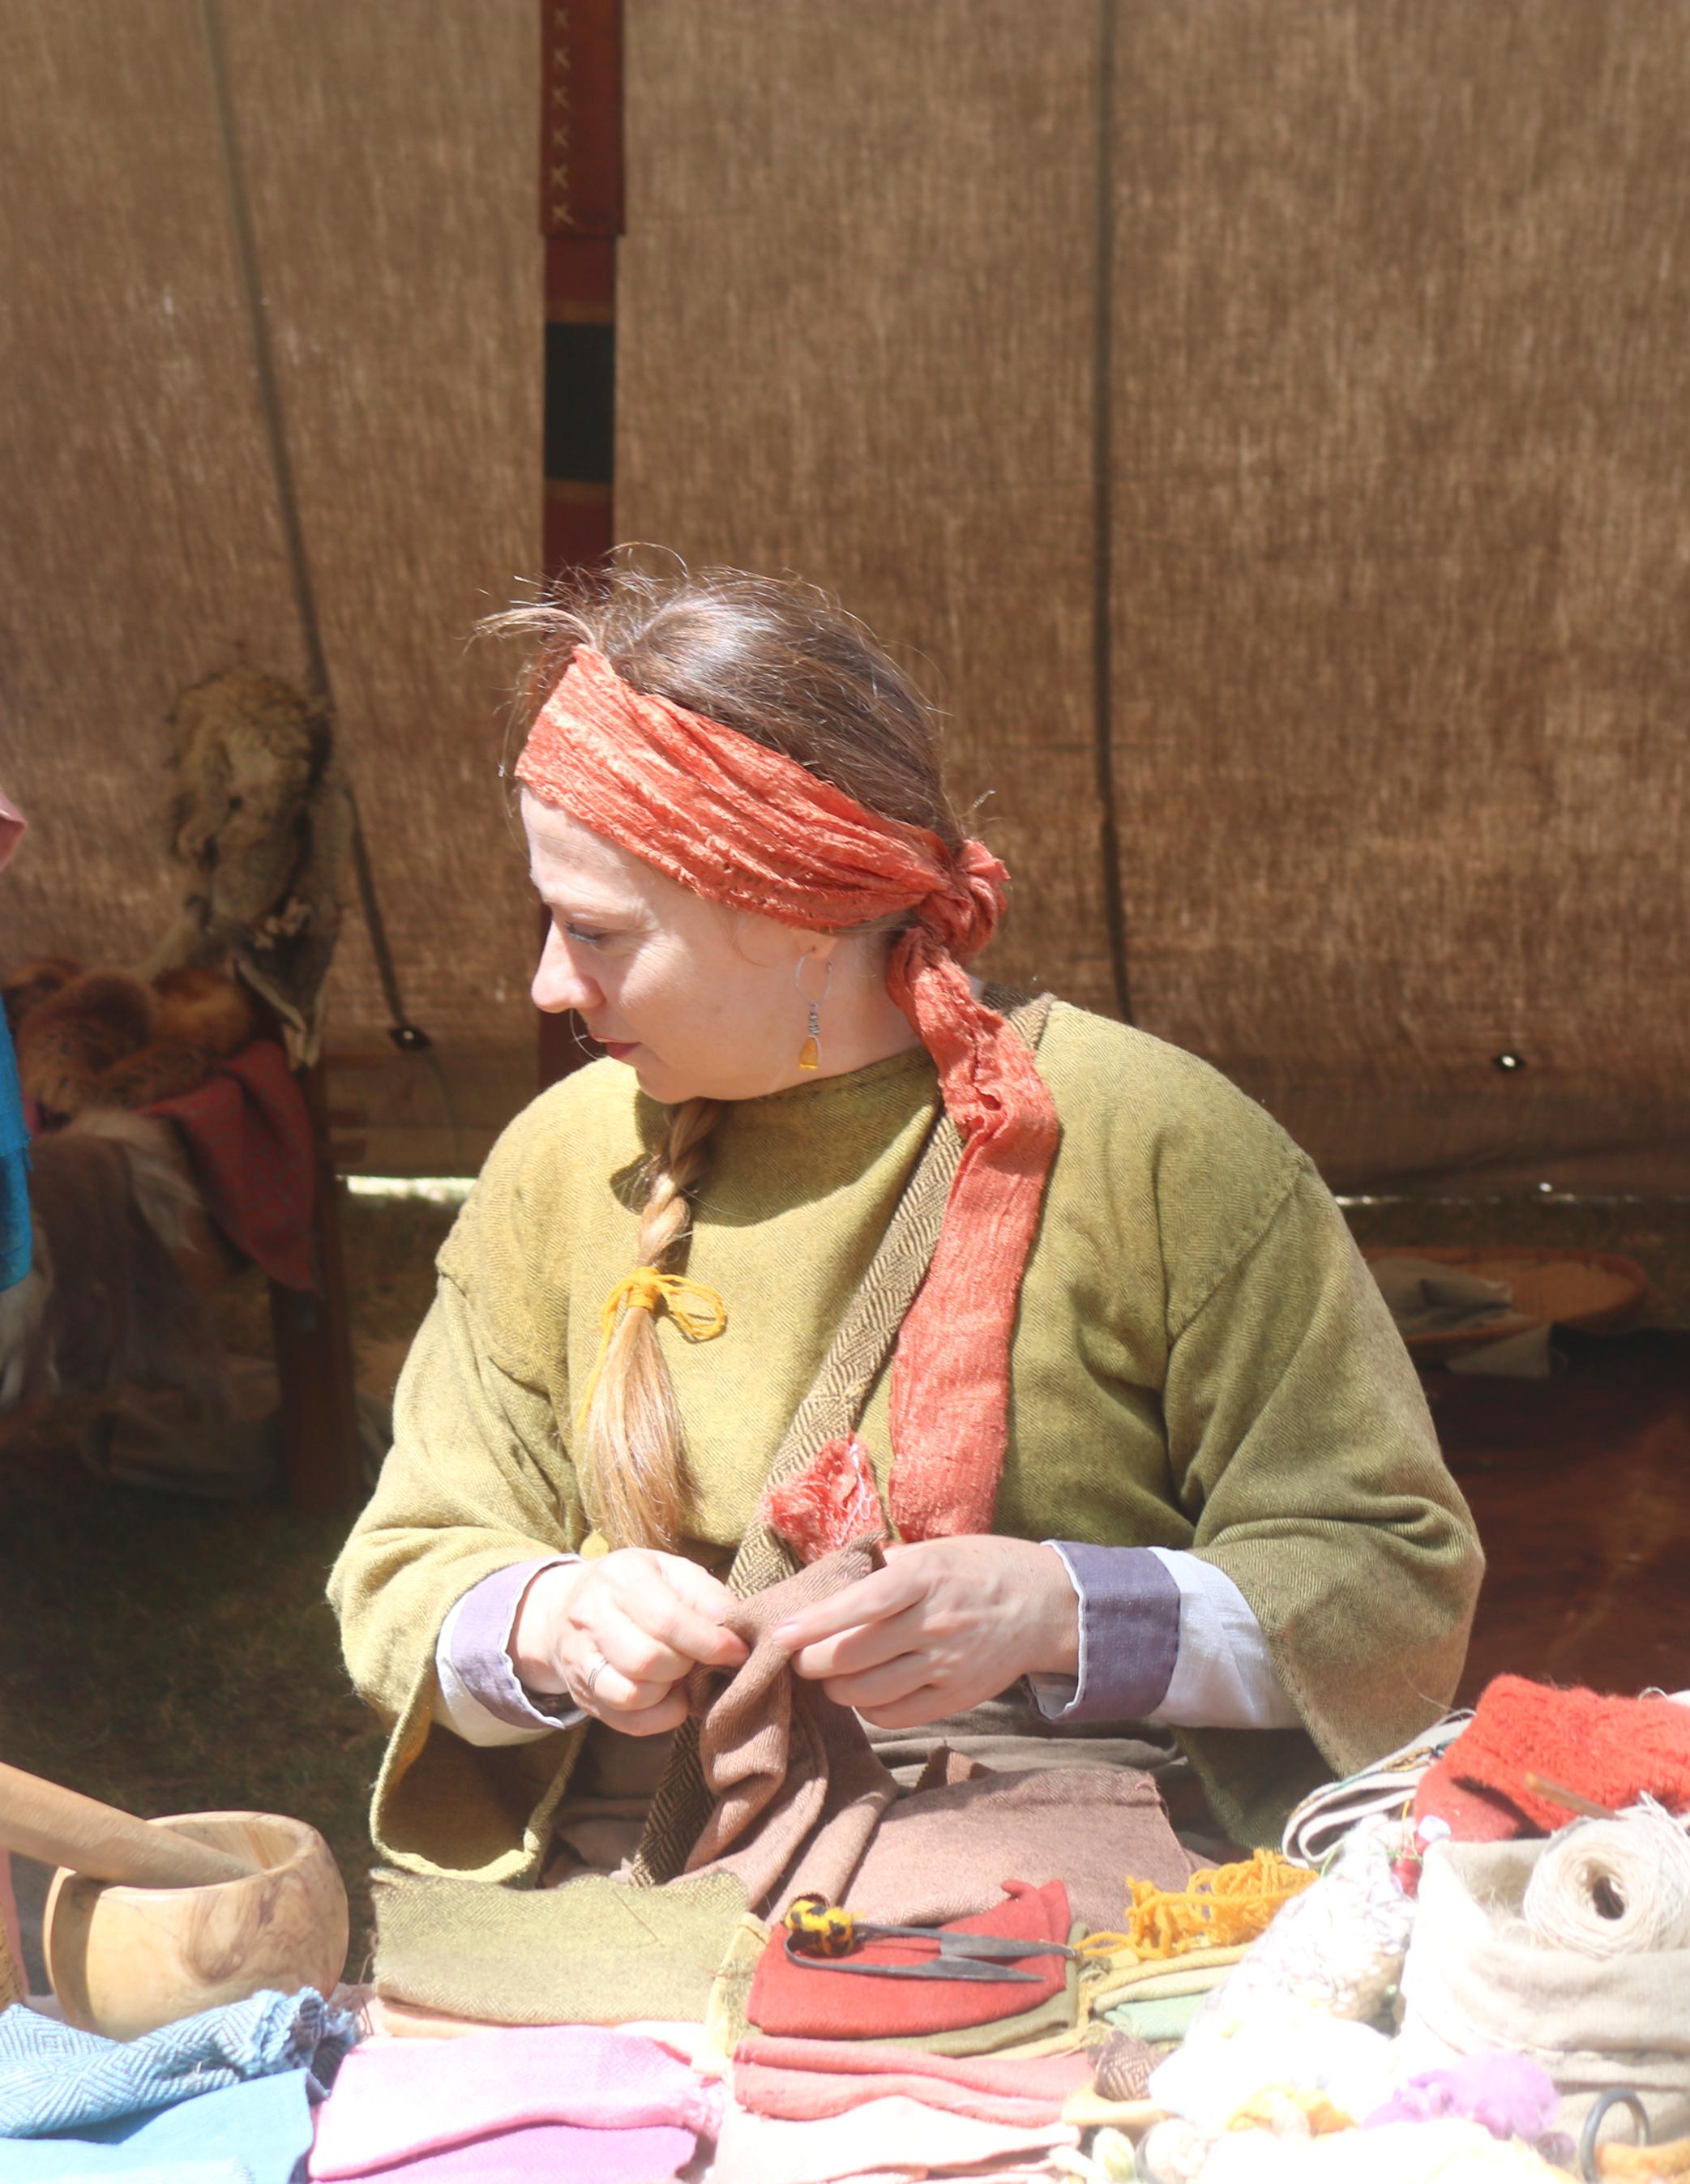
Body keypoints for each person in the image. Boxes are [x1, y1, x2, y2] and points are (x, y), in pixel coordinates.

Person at [332, 562, 1482, 1879]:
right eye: (549, 916)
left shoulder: (1157, 1144)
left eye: (596, 931)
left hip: (1052, 1862)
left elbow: (1391, 1584)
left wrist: (1059, 1610)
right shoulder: (559, 1164)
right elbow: (402, 1568)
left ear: (795, 913)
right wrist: (553, 1622)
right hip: (640, 1875)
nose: (548, 982)